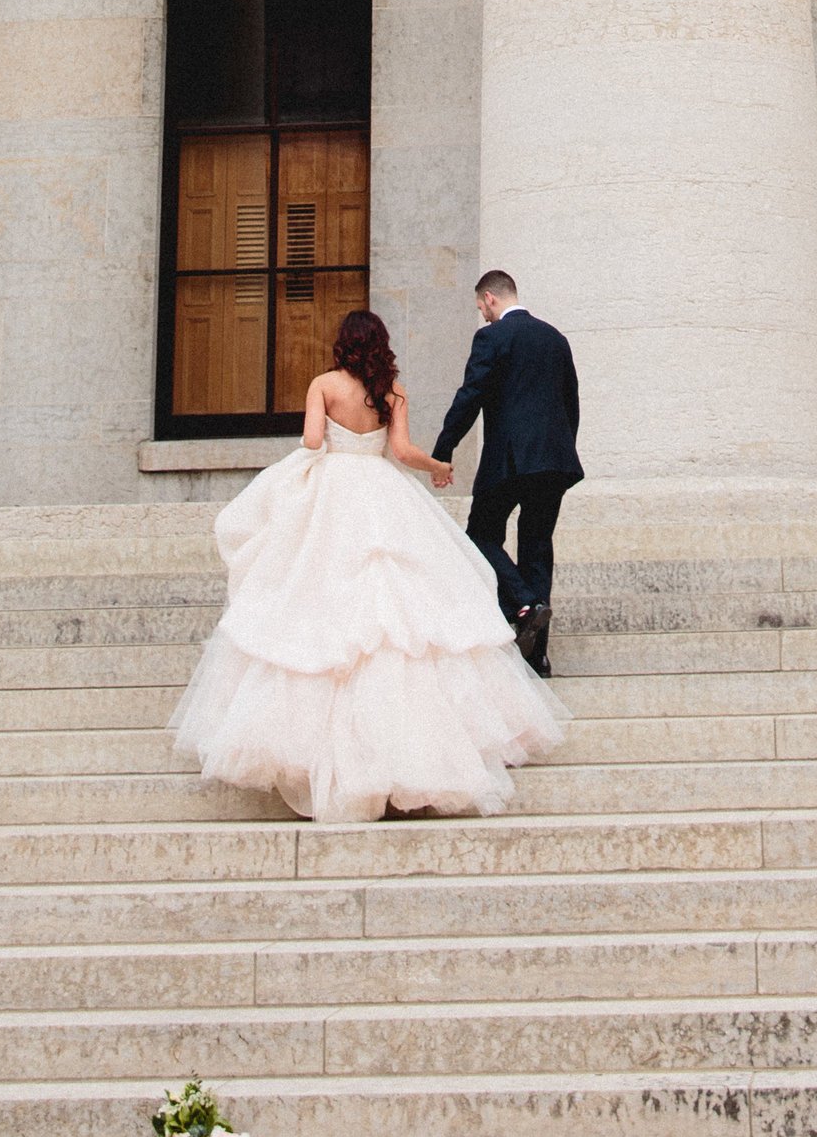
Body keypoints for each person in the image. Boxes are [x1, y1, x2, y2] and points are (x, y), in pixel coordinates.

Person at [168, 306, 564, 824]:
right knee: (405, 614)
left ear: (342, 344)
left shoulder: (323, 384)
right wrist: (439, 466)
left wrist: (328, 437)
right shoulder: (391, 390)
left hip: (334, 489)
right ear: (379, 344)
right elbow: (401, 451)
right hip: (383, 492)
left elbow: (312, 442)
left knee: (313, 600)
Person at [433, 271, 582, 679]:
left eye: (480, 307)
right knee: (537, 548)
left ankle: (523, 607)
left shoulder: (492, 337)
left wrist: (443, 451)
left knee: (480, 535)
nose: (481, 314)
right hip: (553, 462)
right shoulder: (556, 339)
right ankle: (538, 656)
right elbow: (571, 403)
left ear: (489, 298)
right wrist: (560, 450)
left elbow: (470, 396)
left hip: (509, 461)